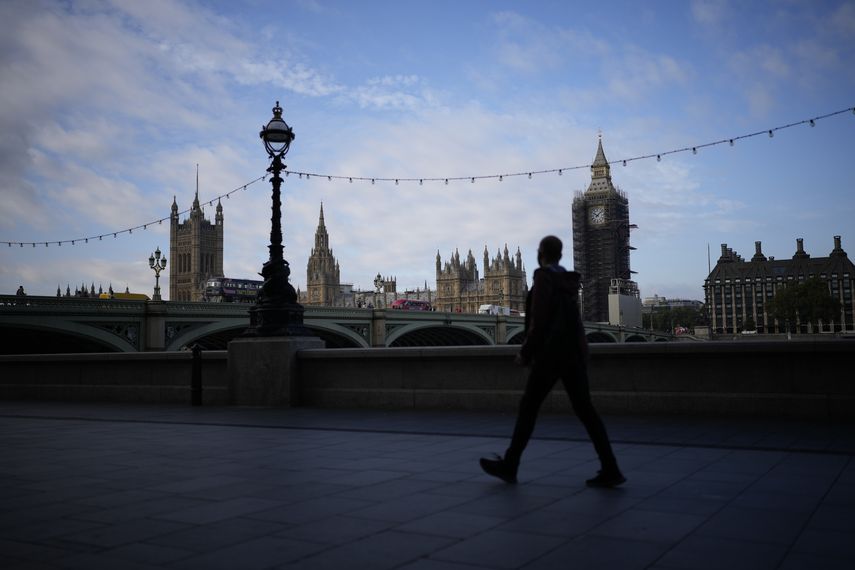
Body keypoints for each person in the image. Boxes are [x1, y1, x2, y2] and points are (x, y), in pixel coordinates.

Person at [480, 235, 625, 487]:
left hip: (550, 355)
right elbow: (575, 322)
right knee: (586, 411)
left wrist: (526, 352)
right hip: (572, 355)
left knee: (528, 409)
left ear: (542, 254)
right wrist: (582, 351)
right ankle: (611, 467)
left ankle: (510, 465)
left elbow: (539, 321)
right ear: (560, 255)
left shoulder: (544, 278)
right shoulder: (568, 281)